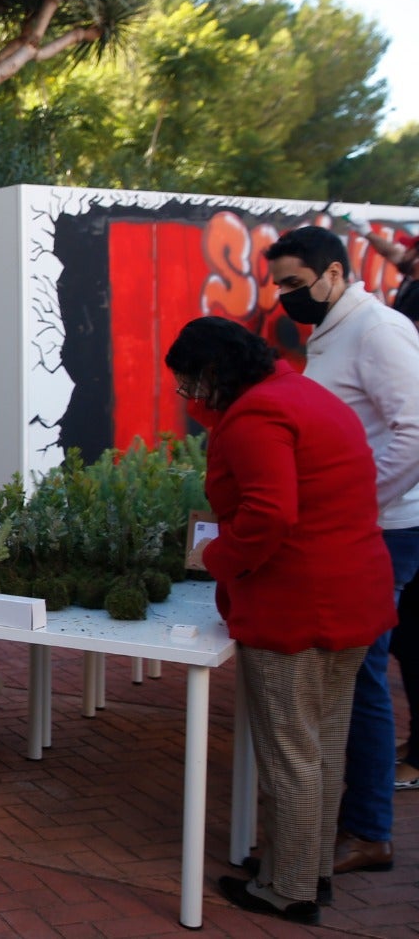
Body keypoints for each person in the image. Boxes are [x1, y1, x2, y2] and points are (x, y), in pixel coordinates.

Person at [167, 316, 393, 925]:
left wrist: (216, 557)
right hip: (354, 593)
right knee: (322, 746)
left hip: (297, 603)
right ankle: (306, 869)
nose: (186, 398)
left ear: (213, 374)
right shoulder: (303, 395)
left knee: (289, 753)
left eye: (188, 384)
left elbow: (269, 515)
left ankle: (287, 890)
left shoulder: (256, 418)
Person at [265, 225, 419, 875]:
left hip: (381, 530)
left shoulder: (377, 330)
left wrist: (357, 500)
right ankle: (349, 822)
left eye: (295, 284)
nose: (285, 297)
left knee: (360, 672)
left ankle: (367, 830)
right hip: (362, 526)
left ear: (333, 273)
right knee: (357, 671)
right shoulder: (335, 329)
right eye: (279, 285)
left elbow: (414, 429)